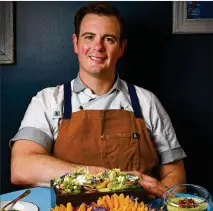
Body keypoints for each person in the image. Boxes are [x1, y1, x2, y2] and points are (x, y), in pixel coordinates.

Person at [10, 2, 186, 198]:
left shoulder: (146, 101)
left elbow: (174, 173)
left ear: (121, 48)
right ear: (76, 43)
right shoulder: (48, 101)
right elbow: (21, 167)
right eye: (89, 37)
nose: (98, 47)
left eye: (109, 39)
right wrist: (106, 178)